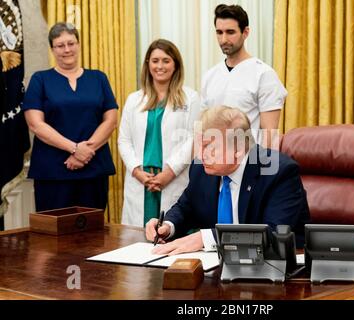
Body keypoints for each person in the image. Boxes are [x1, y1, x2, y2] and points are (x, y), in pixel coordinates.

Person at [146, 106, 310, 255]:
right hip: (218, 268)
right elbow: (186, 207)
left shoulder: (278, 172)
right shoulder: (200, 168)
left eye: (209, 147)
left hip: (278, 271)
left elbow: (274, 234)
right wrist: (167, 226)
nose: (200, 155)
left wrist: (209, 238)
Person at [23, 22, 117, 211]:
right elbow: (35, 125)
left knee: (93, 234)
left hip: (93, 169)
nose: (67, 49)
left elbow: (111, 120)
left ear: (78, 44)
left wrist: (85, 152)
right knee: (53, 233)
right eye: (60, 45)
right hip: (52, 172)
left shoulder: (98, 78)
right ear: (52, 49)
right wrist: (75, 149)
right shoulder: (40, 79)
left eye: (71, 43)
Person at [118, 39, 201, 227]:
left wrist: (169, 173)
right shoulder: (134, 100)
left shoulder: (191, 98)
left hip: (173, 178)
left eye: (166, 60)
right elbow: (124, 140)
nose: (160, 66)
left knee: (169, 233)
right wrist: (137, 171)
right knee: (136, 240)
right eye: (155, 61)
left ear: (176, 65)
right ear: (148, 64)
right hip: (141, 181)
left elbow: (194, 140)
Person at [201, 4, 287, 148]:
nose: (223, 40)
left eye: (230, 32)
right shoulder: (210, 76)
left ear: (245, 32)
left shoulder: (264, 75)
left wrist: (265, 169)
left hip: (248, 164)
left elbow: (269, 136)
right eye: (219, 32)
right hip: (213, 164)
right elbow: (202, 128)